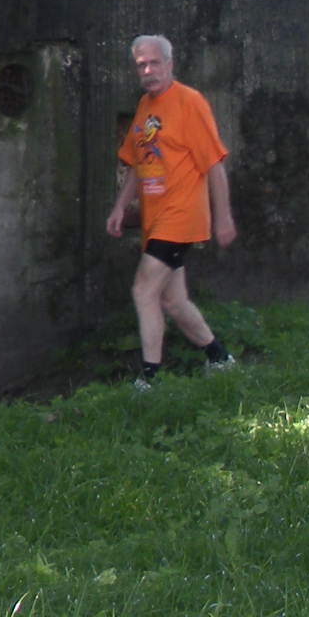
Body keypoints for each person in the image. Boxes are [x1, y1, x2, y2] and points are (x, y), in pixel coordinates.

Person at [104, 33, 237, 390]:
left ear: (169, 64)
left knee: (143, 290)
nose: (148, 70)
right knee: (173, 301)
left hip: (181, 216)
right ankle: (220, 358)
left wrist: (223, 216)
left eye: (154, 63)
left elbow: (214, 164)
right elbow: (137, 163)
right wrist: (120, 207)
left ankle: (150, 378)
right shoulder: (145, 107)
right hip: (156, 218)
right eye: (141, 65)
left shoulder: (189, 102)